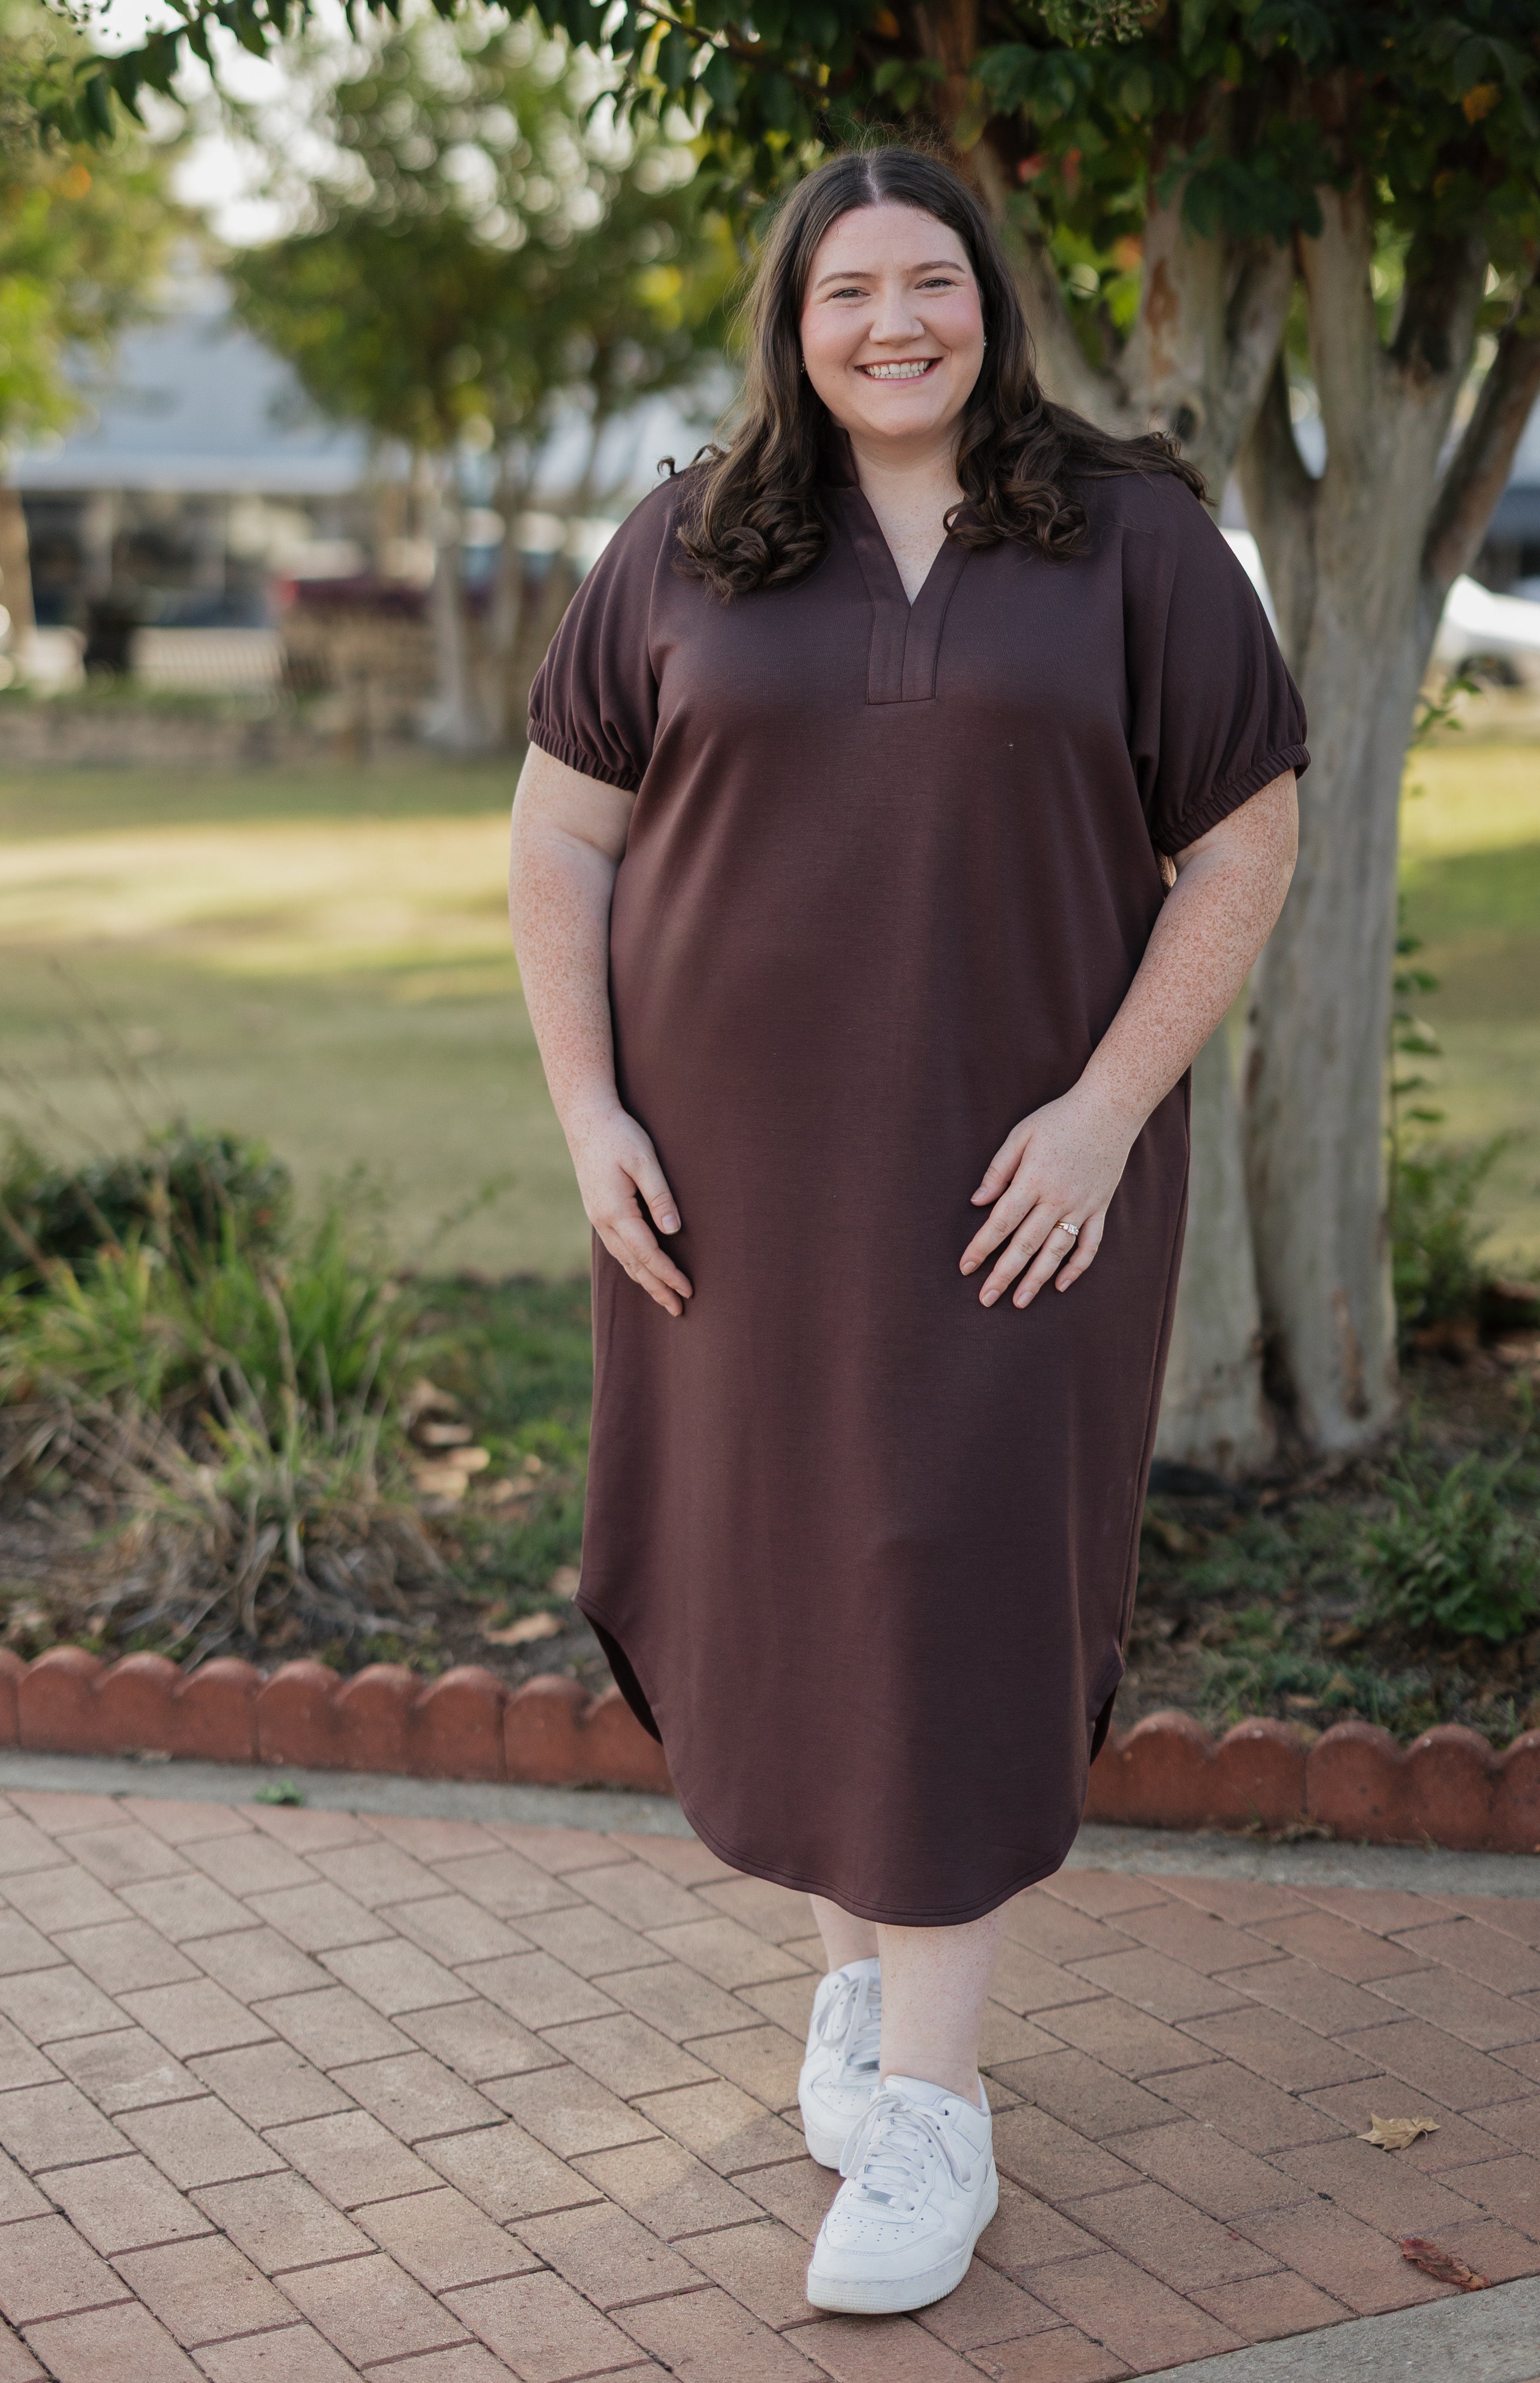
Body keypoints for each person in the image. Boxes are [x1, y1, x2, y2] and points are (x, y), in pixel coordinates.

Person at [509, 141, 1306, 2319]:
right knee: (795, 1573)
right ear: (792, 312)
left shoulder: (1129, 535)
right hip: (727, 1201)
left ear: (989, 302)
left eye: (930, 283)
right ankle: (860, 1997)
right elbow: (562, 842)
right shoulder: (684, 540)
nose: (892, 322)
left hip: (1013, 1192)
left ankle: (939, 2118)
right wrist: (590, 1120)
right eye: (849, 286)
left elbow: (1244, 839)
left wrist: (1105, 1112)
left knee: (945, 1578)